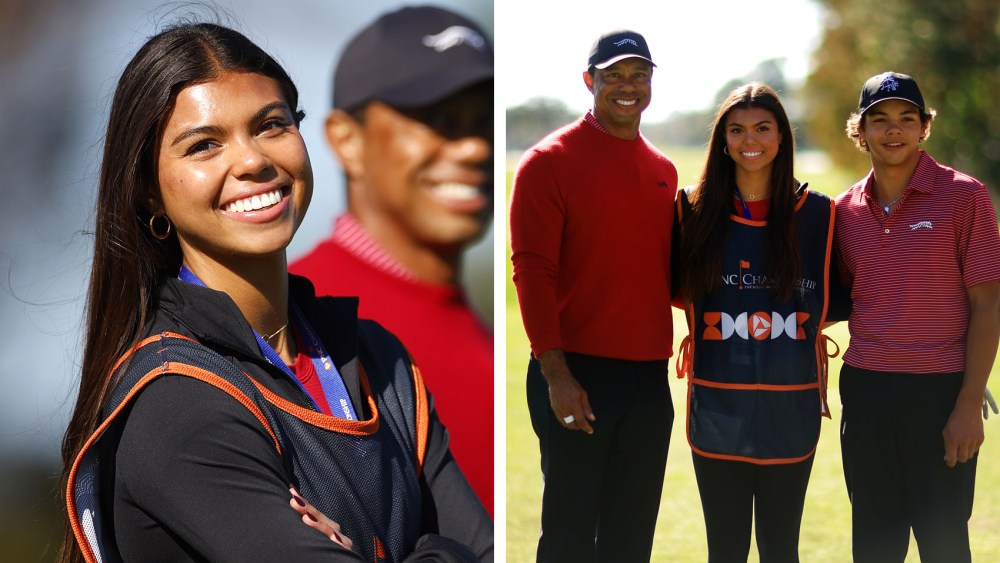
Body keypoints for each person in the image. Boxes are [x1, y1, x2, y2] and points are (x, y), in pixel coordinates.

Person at [57, 22, 492, 563]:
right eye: (204, 145)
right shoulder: (179, 402)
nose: (252, 160)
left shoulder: (379, 360)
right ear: (150, 191)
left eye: (271, 125)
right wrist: (438, 549)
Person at [289, 5, 494, 513]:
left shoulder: (488, 338)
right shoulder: (286, 320)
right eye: (434, 119)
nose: (472, 147)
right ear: (346, 140)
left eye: (483, 120)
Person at [509, 29, 677, 563]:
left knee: (632, 539)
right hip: (577, 374)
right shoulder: (547, 161)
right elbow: (531, 273)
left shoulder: (663, 171)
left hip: (649, 378)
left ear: (652, 82)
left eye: (638, 75)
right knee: (570, 537)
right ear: (590, 81)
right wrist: (557, 375)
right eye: (613, 76)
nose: (628, 86)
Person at [834, 71, 1000, 563]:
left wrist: (969, 402)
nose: (894, 131)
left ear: (924, 127)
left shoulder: (963, 195)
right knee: (875, 544)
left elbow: (988, 302)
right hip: (866, 393)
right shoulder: (845, 210)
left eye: (907, 119)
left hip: (940, 393)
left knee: (945, 543)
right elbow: (846, 297)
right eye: (879, 120)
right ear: (859, 131)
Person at [673, 83, 836, 562]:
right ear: (722, 139)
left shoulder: (821, 215)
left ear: (782, 137)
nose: (751, 140)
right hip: (718, 408)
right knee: (724, 550)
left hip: (791, 410)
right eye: (737, 129)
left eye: (763, 128)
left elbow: (851, 294)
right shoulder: (691, 210)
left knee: (781, 548)